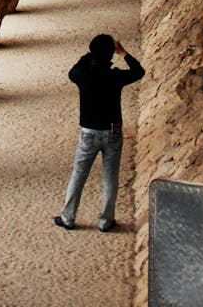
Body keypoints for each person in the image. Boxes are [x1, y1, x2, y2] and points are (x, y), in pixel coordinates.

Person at [54, 35, 145, 232]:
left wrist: (89, 55)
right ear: (111, 53)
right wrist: (123, 53)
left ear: (92, 51)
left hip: (89, 132)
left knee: (79, 175)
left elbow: (72, 72)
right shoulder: (115, 76)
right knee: (110, 177)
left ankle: (68, 217)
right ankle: (106, 221)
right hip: (113, 131)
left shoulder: (83, 76)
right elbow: (139, 72)